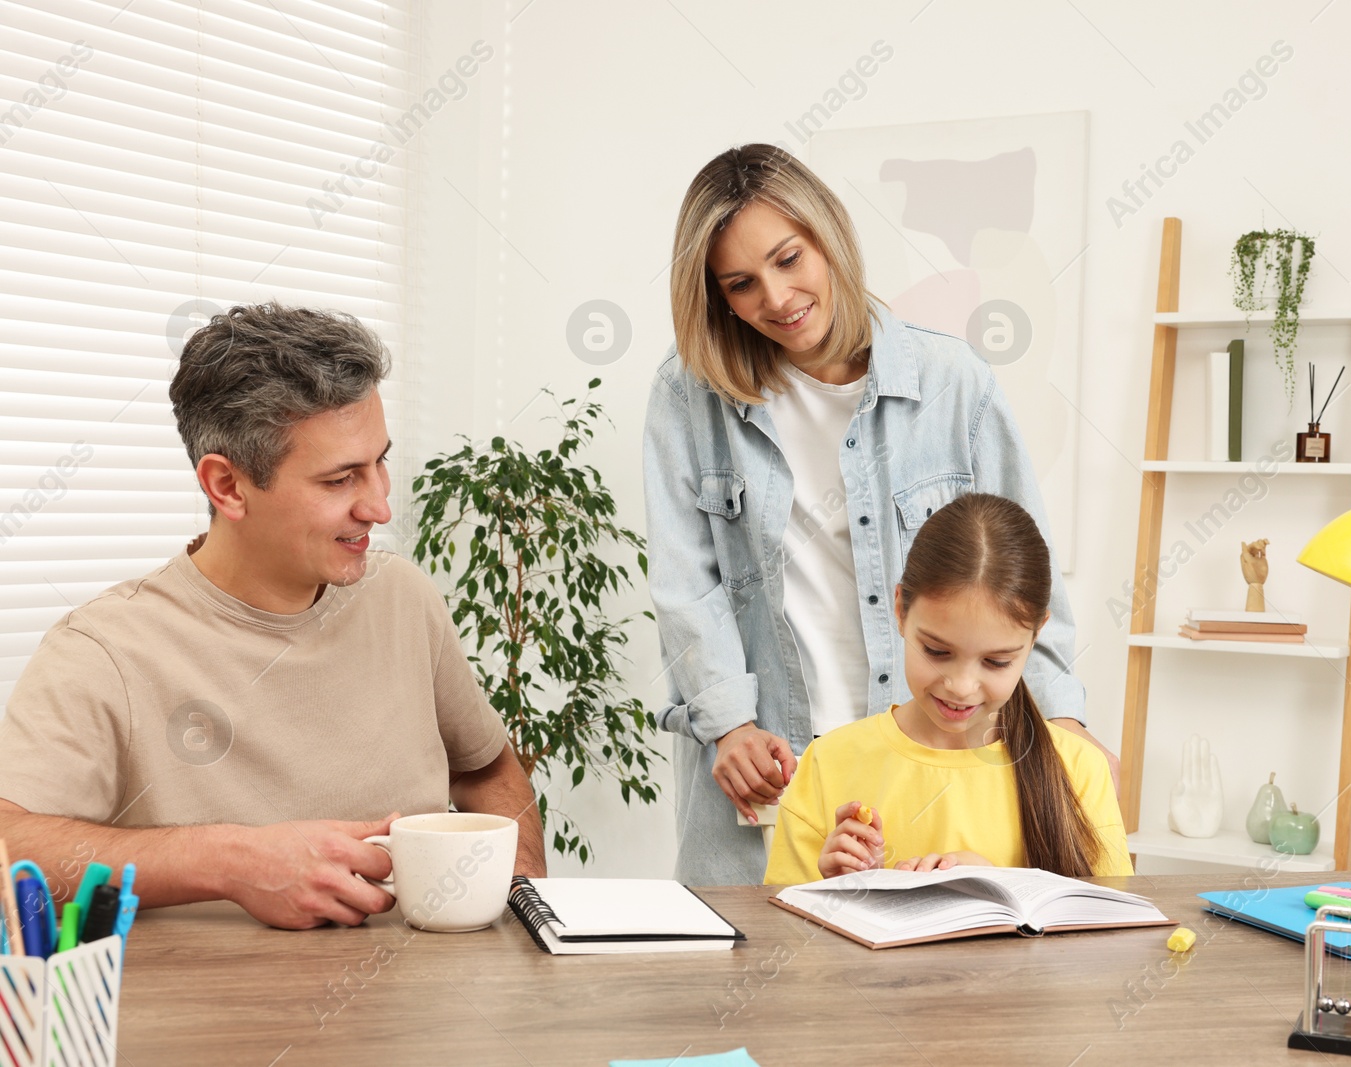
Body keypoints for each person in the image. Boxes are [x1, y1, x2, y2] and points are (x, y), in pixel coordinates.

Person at [645, 143, 1118, 886]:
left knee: (918, 982)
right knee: (756, 992)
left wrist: (1063, 720)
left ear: (828, 235)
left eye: (789, 258)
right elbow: (684, 582)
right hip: (764, 771)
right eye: (741, 283)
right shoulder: (688, 396)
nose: (775, 296)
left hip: (917, 761)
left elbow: (1028, 573)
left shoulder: (953, 383)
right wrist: (727, 722)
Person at [0, 303, 546, 929]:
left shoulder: (403, 597)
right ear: (227, 486)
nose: (379, 507)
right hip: (223, 1019)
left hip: (421, 1010)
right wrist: (230, 861)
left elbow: (488, 768)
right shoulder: (102, 651)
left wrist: (524, 890)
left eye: (380, 463)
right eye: (341, 480)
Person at [764, 494, 1132, 884]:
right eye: (937, 652)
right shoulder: (830, 763)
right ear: (901, 610)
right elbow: (785, 934)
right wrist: (843, 889)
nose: (960, 687)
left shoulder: (1079, 770)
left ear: (1037, 632)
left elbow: (1113, 935)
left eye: (996, 662)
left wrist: (1002, 886)